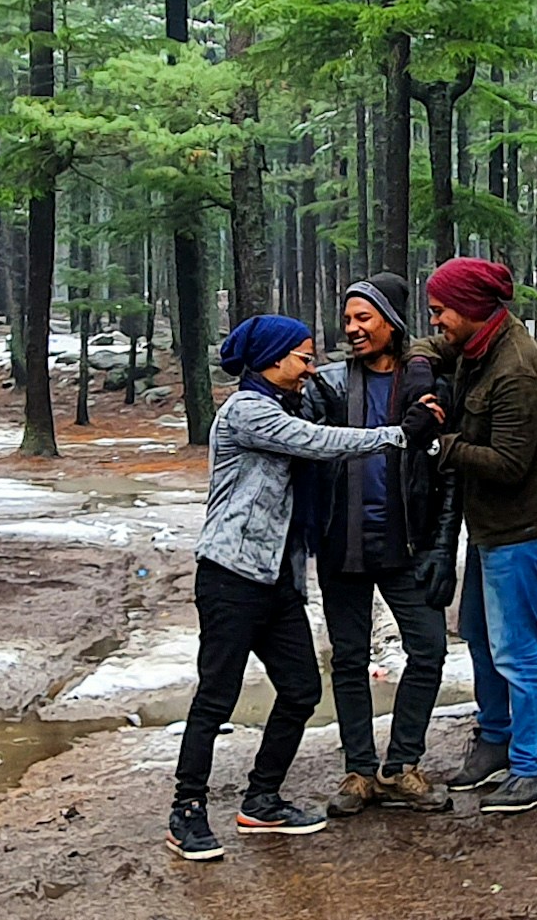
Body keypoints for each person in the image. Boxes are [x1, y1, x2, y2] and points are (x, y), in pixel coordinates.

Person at [169, 313, 430, 863]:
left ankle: (262, 798)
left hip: (276, 580)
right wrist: (399, 435)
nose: (311, 367)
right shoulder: (248, 410)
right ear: (274, 357)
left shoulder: (287, 402)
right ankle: (186, 810)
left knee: (301, 690)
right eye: (304, 357)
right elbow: (315, 441)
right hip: (231, 576)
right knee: (215, 697)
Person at [425, 255, 537, 814]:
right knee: (480, 636)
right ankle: (494, 740)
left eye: (440, 311)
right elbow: (432, 349)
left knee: (514, 648)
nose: (435, 320)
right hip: (490, 526)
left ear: (469, 309)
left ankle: (534, 769)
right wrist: (417, 364)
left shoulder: (516, 371)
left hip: (522, 527)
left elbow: (508, 463)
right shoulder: (477, 343)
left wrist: (442, 443)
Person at [306, 272, 453, 815]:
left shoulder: (425, 381)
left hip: (404, 542)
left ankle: (402, 764)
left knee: (430, 647)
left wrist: (440, 544)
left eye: (363, 318)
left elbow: (444, 471)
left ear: (390, 322)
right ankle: (358, 772)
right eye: (347, 320)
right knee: (348, 657)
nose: (352, 329)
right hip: (340, 541)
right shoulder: (331, 385)